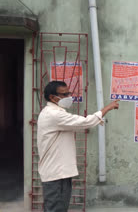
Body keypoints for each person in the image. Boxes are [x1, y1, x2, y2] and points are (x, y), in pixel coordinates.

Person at [37, 81, 119, 212]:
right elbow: (85, 122)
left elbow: (78, 124)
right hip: (55, 173)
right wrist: (106, 108)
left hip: (60, 172)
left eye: (68, 93)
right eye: (64, 94)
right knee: (54, 208)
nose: (69, 97)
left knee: (60, 208)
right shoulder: (54, 115)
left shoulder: (55, 113)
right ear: (52, 97)